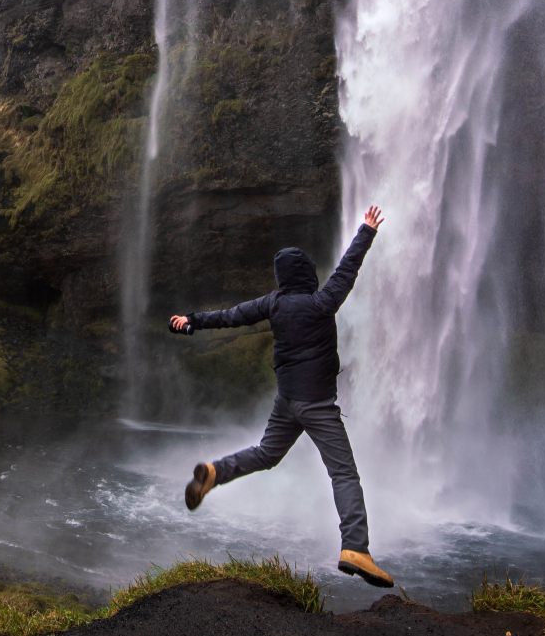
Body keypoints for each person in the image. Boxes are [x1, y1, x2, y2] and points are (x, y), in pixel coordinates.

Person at [167, 205, 393, 588]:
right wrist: (367, 231)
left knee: (266, 453)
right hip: (318, 405)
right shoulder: (323, 303)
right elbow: (346, 270)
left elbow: (230, 315)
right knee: (344, 473)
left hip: (287, 402)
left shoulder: (272, 304)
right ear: (308, 276)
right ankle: (355, 547)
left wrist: (191, 321)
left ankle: (215, 472)